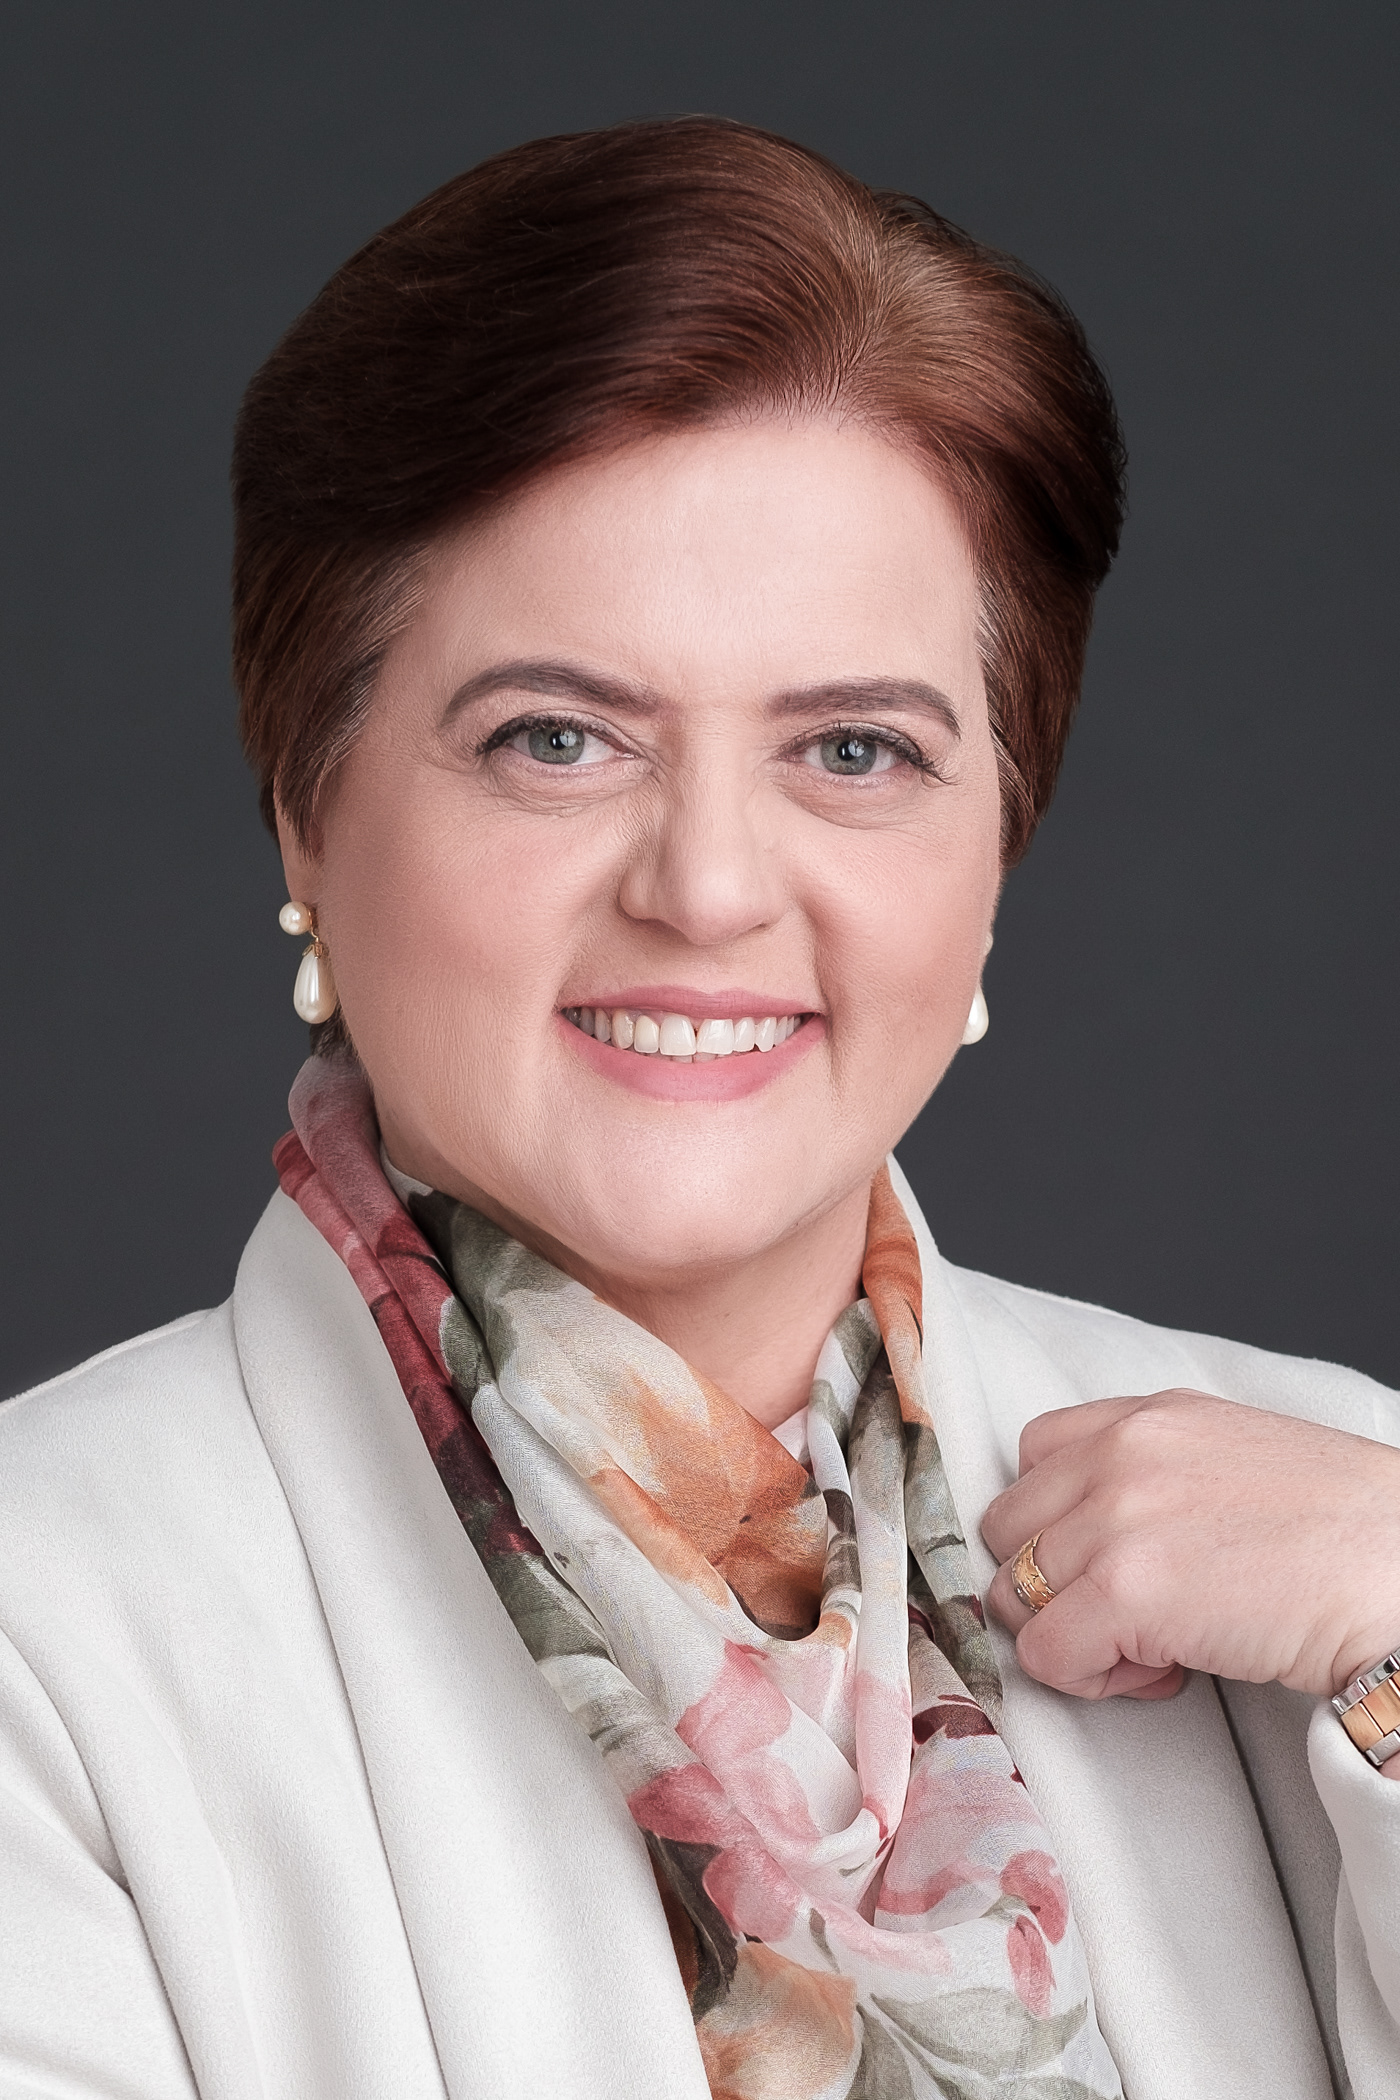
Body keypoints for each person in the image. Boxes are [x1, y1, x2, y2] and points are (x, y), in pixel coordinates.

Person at [1, 116, 1396, 2100]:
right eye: (557, 739)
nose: (710, 885)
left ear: (997, 847)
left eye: (855, 749)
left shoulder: (1350, 1521)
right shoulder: (41, 1637)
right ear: (307, 805)